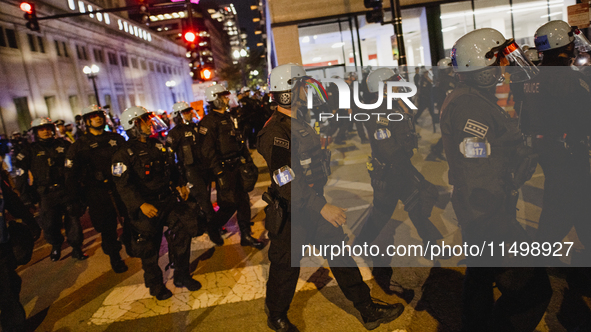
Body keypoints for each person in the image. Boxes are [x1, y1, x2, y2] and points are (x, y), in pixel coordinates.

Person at [258, 63, 404, 331]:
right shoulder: (276, 133)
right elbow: (285, 179)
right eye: (302, 86)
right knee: (285, 268)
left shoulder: (297, 121)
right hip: (293, 212)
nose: (307, 91)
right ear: (288, 92)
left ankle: (366, 309)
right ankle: (276, 316)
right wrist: (321, 206)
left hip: (312, 203)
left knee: (339, 255)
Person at [441, 28, 552, 331]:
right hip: (487, 214)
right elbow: (476, 163)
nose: (505, 66)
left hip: (481, 211)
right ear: (482, 69)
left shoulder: (473, 98)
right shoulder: (469, 106)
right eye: (499, 60)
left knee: (479, 279)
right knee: (534, 291)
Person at [356, 68, 443, 290]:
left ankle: (432, 247)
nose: (400, 84)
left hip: (401, 169)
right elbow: (388, 148)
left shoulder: (394, 106)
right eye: (394, 82)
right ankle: (358, 248)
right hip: (390, 173)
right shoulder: (379, 112)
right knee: (382, 213)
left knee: (416, 204)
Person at [112, 106, 201, 300]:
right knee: (149, 248)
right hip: (146, 206)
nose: (149, 123)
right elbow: (123, 185)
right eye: (144, 120)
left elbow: (171, 168)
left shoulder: (157, 145)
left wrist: (180, 184)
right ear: (133, 125)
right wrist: (141, 205)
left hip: (167, 201)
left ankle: (181, 275)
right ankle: (155, 285)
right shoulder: (123, 154)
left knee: (183, 232)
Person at [520, 21, 591, 263]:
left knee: (579, 208)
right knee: (559, 213)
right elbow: (585, 116)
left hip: (549, 153)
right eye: (572, 44)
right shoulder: (567, 79)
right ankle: (533, 269)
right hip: (570, 156)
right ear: (564, 46)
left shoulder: (534, 79)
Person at [65, 105, 129, 273]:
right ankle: (115, 257)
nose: (98, 118)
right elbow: (71, 175)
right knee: (107, 229)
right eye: (94, 116)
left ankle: (130, 242)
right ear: (87, 121)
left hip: (120, 187)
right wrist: (74, 199)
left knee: (132, 219)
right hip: (97, 193)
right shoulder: (79, 146)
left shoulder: (116, 138)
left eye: (100, 115)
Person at [199, 84, 264, 249]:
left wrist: (248, 160)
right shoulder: (208, 122)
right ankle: (213, 226)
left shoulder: (229, 117)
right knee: (229, 203)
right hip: (223, 168)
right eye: (223, 96)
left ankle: (246, 236)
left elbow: (239, 141)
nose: (227, 98)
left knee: (243, 201)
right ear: (215, 99)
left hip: (237, 165)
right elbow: (207, 151)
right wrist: (218, 171)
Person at [14, 118, 87, 262]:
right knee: (49, 224)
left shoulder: (64, 145)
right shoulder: (29, 151)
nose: (46, 132)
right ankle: (56, 245)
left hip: (66, 190)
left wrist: (81, 187)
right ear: (35, 132)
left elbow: (77, 166)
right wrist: (25, 195)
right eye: (42, 129)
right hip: (45, 194)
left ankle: (76, 248)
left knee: (73, 222)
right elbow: (21, 174)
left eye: (48, 128)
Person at [167, 101, 220, 244]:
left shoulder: (198, 127)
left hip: (204, 168)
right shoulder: (175, 133)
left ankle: (199, 224)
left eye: (189, 110)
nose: (189, 113)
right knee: (204, 201)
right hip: (189, 170)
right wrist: (178, 180)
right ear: (178, 115)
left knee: (200, 200)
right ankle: (213, 230)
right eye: (185, 112)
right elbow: (170, 156)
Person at [429, 58, 458, 161]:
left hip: (444, 110)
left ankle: (437, 150)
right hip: (449, 111)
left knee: (450, 132)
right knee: (451, 132)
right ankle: (437, 150)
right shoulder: (448, 82)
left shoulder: (440, 80)